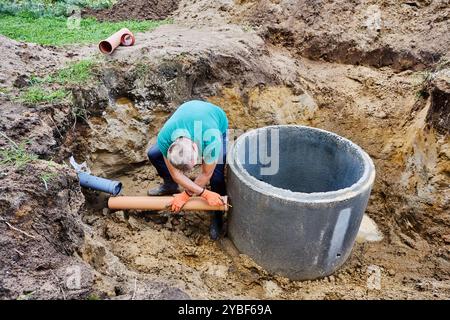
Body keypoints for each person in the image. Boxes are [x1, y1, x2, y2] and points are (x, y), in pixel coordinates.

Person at [147, 100, 228, 240]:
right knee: (153, 154)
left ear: (197, 149)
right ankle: (169, 186)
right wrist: (197, 192)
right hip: (190, 116)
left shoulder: (211, 140)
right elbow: (176, 175)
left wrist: (187, 195)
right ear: (171, 147)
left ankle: (217, 213)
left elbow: (205, 173)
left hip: (216, 121)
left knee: (216, 176)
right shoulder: (165, 137)